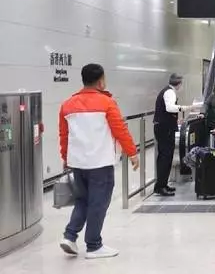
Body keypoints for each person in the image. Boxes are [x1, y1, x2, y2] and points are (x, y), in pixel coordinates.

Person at [59, 63, 138, 259]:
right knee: (98, 203)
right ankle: (93, 245)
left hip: (78, 163)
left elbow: (64, 135)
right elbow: (120, 129)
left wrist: (65, 157)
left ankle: (69, 236)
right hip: (100, 163)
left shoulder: (67, 104)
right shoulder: (107, 103)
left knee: (83, 200)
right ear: (101, 81)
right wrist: (132, 153)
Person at [153, 73, 190, 197]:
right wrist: (183, 108)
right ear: (179, 83)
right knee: (165, 156)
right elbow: (169, 108)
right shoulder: (170, 92)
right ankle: (160, 186)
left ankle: (162, 184)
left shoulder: (167, 91)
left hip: (164, 127)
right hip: (165, 128)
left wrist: (175, 120)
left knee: (166, 156)